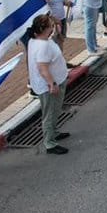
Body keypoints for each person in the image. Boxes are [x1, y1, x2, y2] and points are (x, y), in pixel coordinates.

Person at [26, 14, 71, 155]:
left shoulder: (37, 40)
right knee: (50, 113)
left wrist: (57, 29)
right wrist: (52, 84)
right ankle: (50, 143)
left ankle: (54, 132)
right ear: (43, 29)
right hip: (48, 86)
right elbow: (42, 68)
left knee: (55, 110)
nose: (53, 27)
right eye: (51, 26)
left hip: (55, 80)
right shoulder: (42, 46)